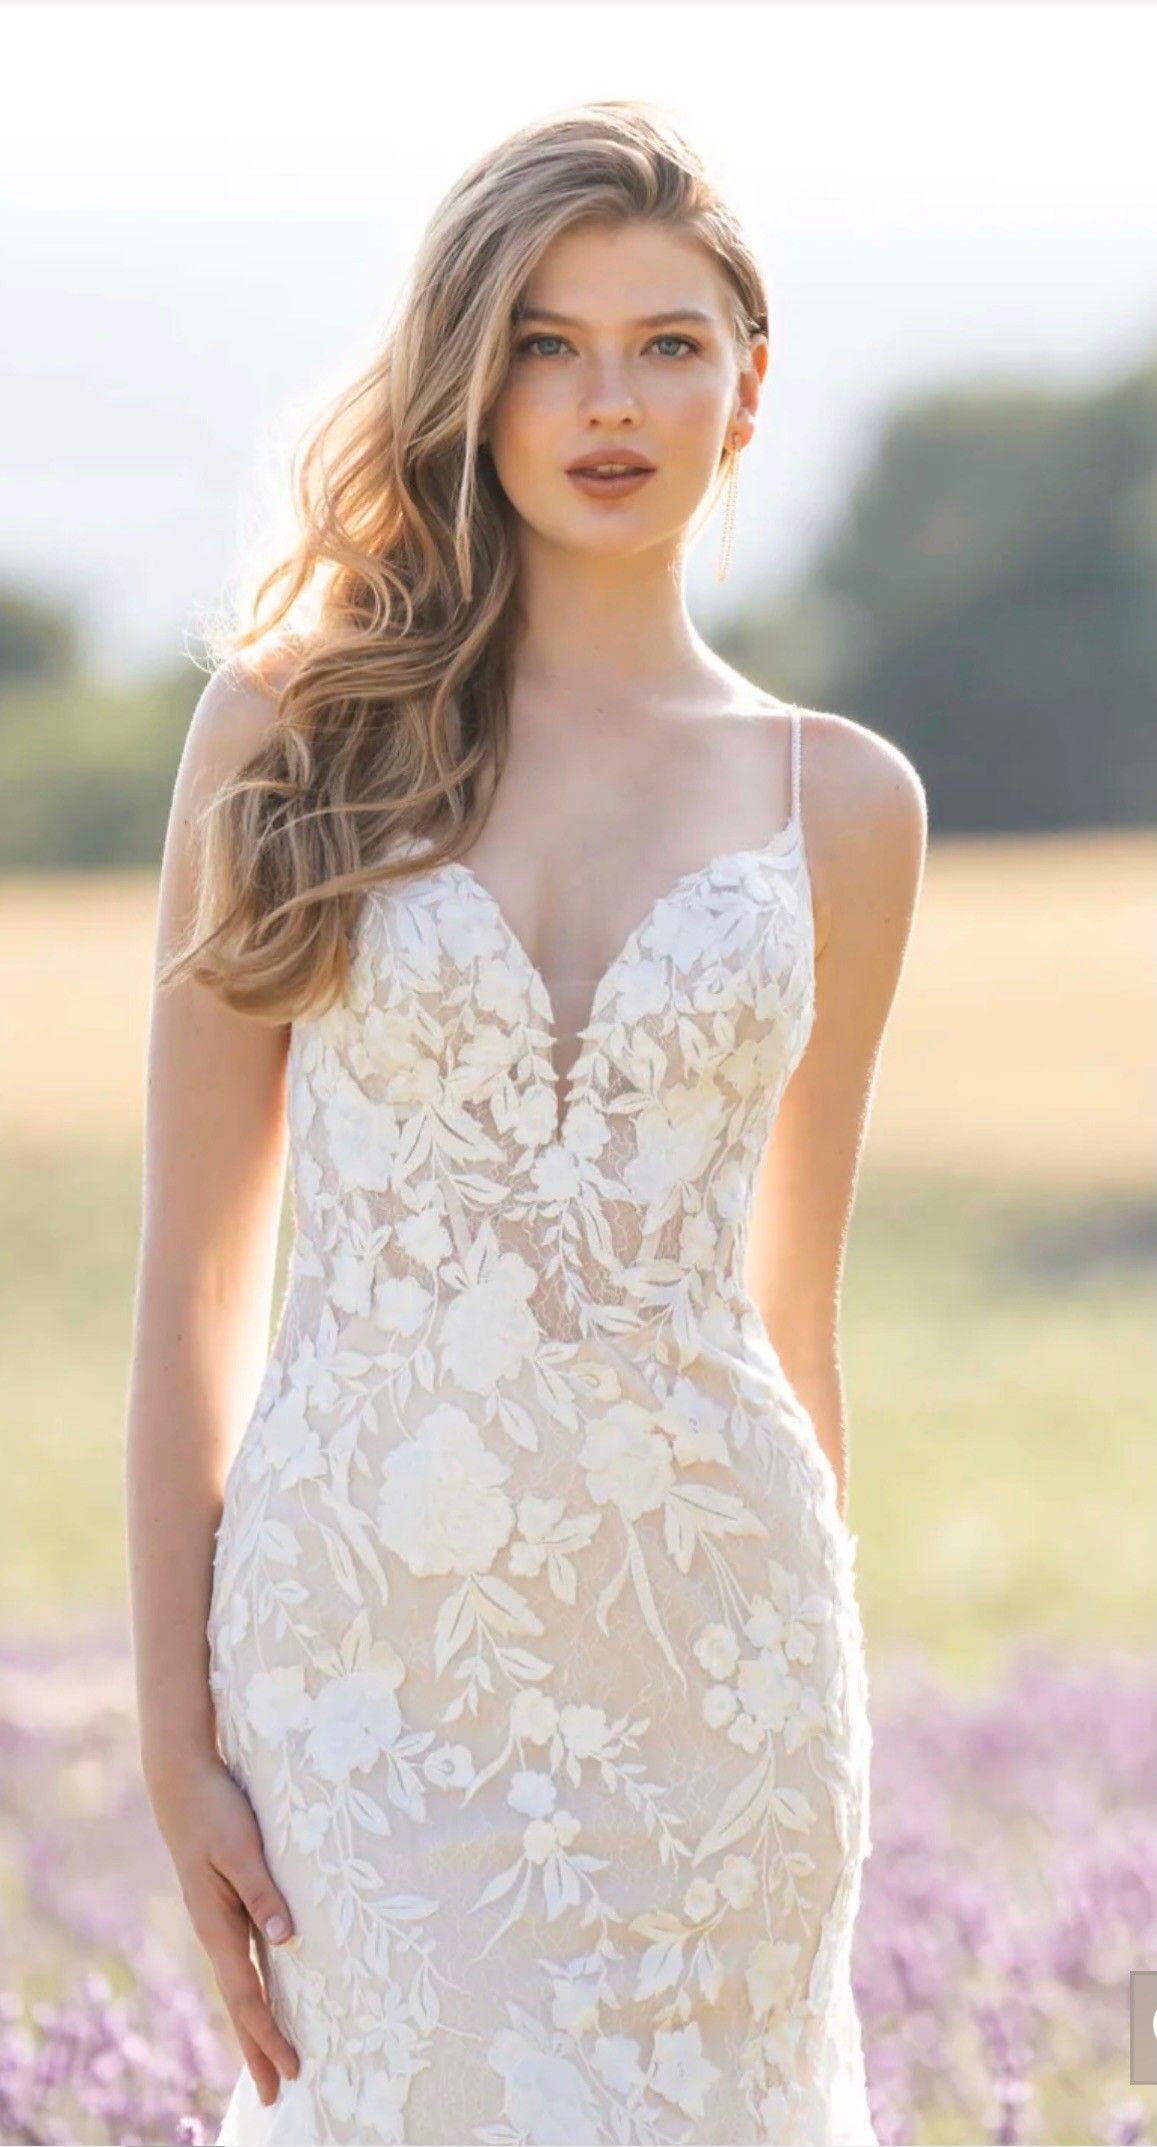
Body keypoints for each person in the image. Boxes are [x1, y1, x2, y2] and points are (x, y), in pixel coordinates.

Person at [126, 97, 925, 2147]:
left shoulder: (844, 805)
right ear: (469, 383)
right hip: (358, 1666)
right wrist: (172, 1734)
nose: (608, 401)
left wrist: (819, 1704)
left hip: (721, 1684)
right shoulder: (291, 737)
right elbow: (194, 1284)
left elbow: (790, 1315)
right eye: (547, 344)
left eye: (668, 344)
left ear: (750, 389)